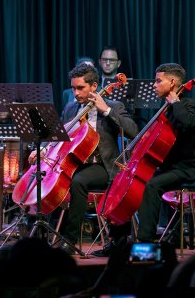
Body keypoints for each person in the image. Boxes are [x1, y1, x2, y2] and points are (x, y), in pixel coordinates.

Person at [27, 64, 137, 253]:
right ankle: (39, 234)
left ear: (94, 86)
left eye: (80, 88)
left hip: (103, 165)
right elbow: (59, 133)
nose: (75, 93)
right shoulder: (71, 108)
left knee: (78, 181)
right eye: (73, 88)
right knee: (41, 175)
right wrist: (44, 149)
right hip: (76, 162)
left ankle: (69, 241)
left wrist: (106, 111)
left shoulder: (112, 106)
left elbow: (133, 131)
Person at [104, 63, 195, 246]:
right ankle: (117, 240)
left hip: (186, 168)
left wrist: (175, 103)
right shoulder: (164, 108)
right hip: (165, 167)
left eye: (158, 81)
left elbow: (187, 123)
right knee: (126, 181)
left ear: (173, 82)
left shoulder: (190, 105)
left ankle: (145, 241)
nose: (154, 85)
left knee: (151, 186)